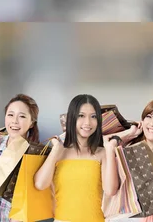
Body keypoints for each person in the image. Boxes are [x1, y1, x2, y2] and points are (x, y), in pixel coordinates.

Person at [34, 94, 119, 222]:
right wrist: (56, 150)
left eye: (93, 116)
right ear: (72, 118)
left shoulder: (103, 153)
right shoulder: (58, 152)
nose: (87, 122)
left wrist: (110, 149)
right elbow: (40, 184)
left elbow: (110, 190)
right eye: (81, 116)